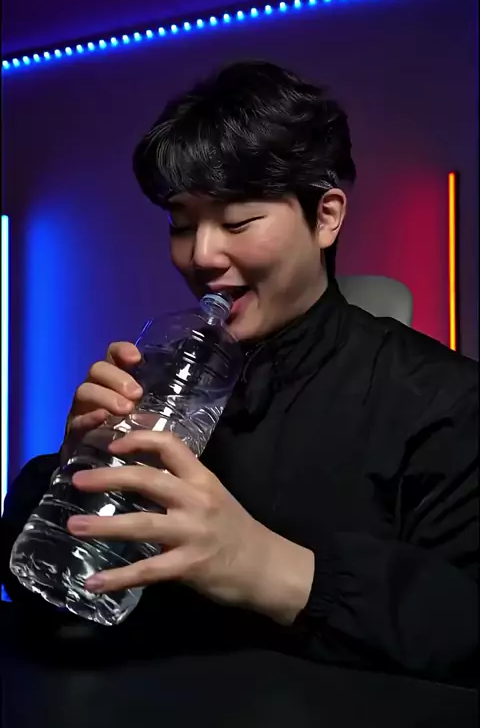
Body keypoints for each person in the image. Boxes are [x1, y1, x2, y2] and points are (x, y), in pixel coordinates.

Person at [1, 61, 478, 684]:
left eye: (237, 222)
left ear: (326, 217)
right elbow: (44, 601)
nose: (201, 255)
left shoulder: (444, 399)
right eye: (181, 224)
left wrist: (268, 568)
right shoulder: (163, 375)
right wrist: (74, 469)